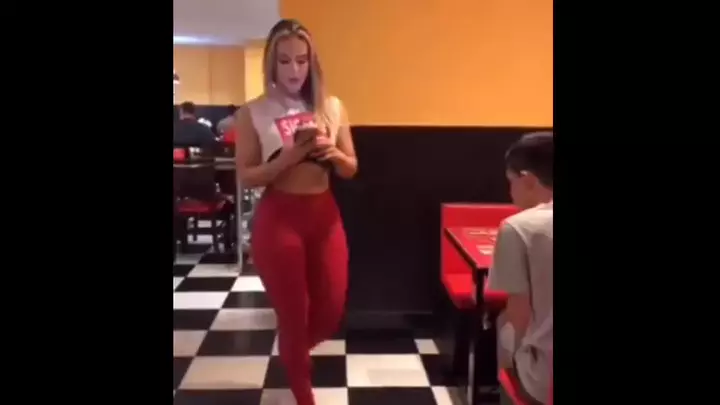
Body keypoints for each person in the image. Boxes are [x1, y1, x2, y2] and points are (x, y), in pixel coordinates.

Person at [234, 19, 358, 405]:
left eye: (301, 60)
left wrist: (332, 153)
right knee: (293, 313)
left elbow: (351, 167)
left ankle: (293, 349)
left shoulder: (332, 107)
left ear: (312, 62)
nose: (294, 70)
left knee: (331, 307)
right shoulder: (253, 112)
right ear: (271, 63)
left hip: (325, 216)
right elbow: (246, 176)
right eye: (284, 61)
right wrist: (285, 160)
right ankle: (303, 391)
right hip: (279, 219)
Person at [488, 131, 553, 405]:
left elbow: (519, 314)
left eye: (510, 181)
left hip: (546, 382)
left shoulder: (519, 227)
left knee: (503, 323)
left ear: (527, 180)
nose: (509, 191)